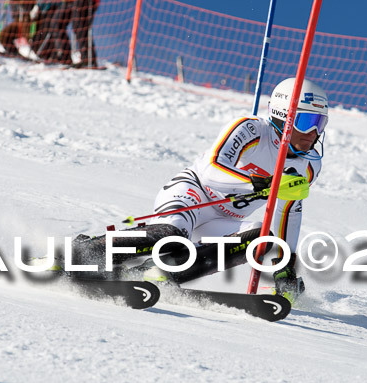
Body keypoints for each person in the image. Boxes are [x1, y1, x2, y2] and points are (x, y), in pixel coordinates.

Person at [72, 78, 328, 303]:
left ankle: (159, 272)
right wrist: (259, 184)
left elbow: (289, 211)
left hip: (227, 218)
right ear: (283, 115)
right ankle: (86, 253)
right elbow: (212, 169)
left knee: (262, 239)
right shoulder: (250, 129)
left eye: (319, 123)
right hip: (194, 194)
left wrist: (285, 264)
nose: (313, 133)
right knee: (171, 236)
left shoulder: (309, 166)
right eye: (306, 122)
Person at [70, 0, 100, 68]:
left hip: (87, 2)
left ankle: (88, 60)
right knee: (76, 28)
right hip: (77, 2)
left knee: (82, 29)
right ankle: (85, 58)